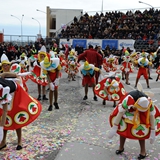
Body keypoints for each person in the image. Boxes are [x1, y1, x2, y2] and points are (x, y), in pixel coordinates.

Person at [0, 54, 42, 150]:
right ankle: (3, 142)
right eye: (3, 65)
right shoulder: (1, 76)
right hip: (4, 103)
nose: (5, 66)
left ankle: (19, 142)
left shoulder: (15, 74)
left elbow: (19, 84)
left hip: (15, 101)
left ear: (9, 66)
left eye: (6, 65)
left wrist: (5, 75)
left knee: (18, 121)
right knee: (5, 121)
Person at [108, 89, 160, 159]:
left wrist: (153, 132)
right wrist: (114, 128)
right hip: (128, 112)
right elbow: (120, 113)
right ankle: (121, 147)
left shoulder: (149, 103)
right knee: (124, 130)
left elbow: (151, 116)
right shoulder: (128, 100)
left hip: (142, 115)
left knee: (141, 131)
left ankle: (143, 151)